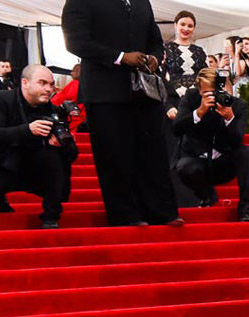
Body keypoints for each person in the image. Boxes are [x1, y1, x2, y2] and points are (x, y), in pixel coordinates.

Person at [63, 0, 182, 227]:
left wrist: (154, 57)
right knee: (115, 155)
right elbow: (76, 41)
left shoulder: (141, 3)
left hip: (144, 92)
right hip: (105, 92)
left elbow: (154, 40)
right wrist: (120, 57)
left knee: (153, 153)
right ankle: (125, 215)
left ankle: (162, 212)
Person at [0, 65, 78, 229]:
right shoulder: (2, 99)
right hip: (4, 162)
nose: (48, 89)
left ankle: (51, 217)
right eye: (42, 83)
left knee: (54, 158)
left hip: (38, 167)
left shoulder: (53, 111)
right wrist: (28, 130)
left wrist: (61, 145)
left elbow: (72, 153)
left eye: (51, 84)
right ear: (25, 83)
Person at [171, 68, 249, 222]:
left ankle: (246, 210)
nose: (212, 96)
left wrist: (229, 119)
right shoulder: (191, 99)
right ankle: (206, 196)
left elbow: (237, 140)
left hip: (224, 163)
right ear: (199, 90)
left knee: (246, 152)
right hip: (198, 162)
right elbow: (176, 128)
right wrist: (198, 112)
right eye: (206, 93)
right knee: (184, 165)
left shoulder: (236, 105)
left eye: (215, 91)